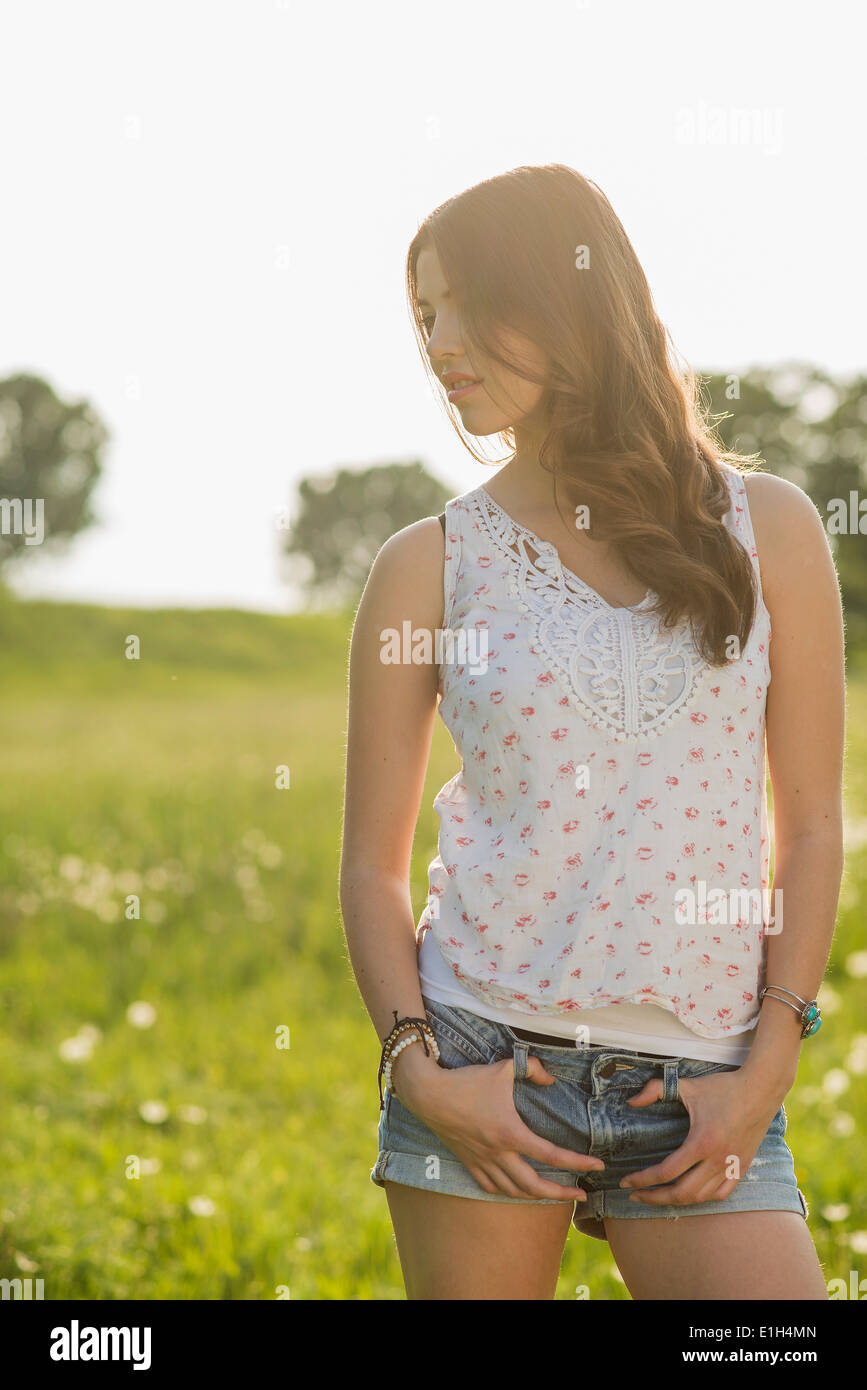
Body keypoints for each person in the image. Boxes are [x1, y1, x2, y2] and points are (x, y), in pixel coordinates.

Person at [339, 164, 843, 1300]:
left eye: (469, 302)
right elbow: (370, 867)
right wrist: (421, 1071)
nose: (441, 342)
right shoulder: (428, 561)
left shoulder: (772, 532)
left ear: (570, 301)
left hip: (706, 1077)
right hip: (483, 1061)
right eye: (426, 313)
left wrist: (769, 1065)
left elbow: (811, 826)